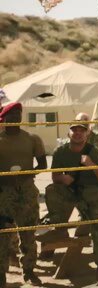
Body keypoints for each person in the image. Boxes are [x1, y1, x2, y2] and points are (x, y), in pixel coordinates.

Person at [45, 115, 98, 281]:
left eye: (81, 130)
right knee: (52, 190)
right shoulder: (60, 152)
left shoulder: (94, 152)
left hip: (93, 193)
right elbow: (55, 177)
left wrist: (91, 165)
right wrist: (63, 179)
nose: (77, 133)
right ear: (68, 133)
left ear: (87, 134)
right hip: (72, 191)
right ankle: (59, 227)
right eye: (74, 130)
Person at [0, 103, 44, 286]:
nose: (15, 118)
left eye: (17, 115)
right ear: (3, 118)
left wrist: (27, 174)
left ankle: (29, 270)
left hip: (27, 191)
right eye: (11, 115)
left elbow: (43, 164)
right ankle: (1, 274)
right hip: (4, 192)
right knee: (3, 235)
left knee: (28, 232)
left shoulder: (32, 139)